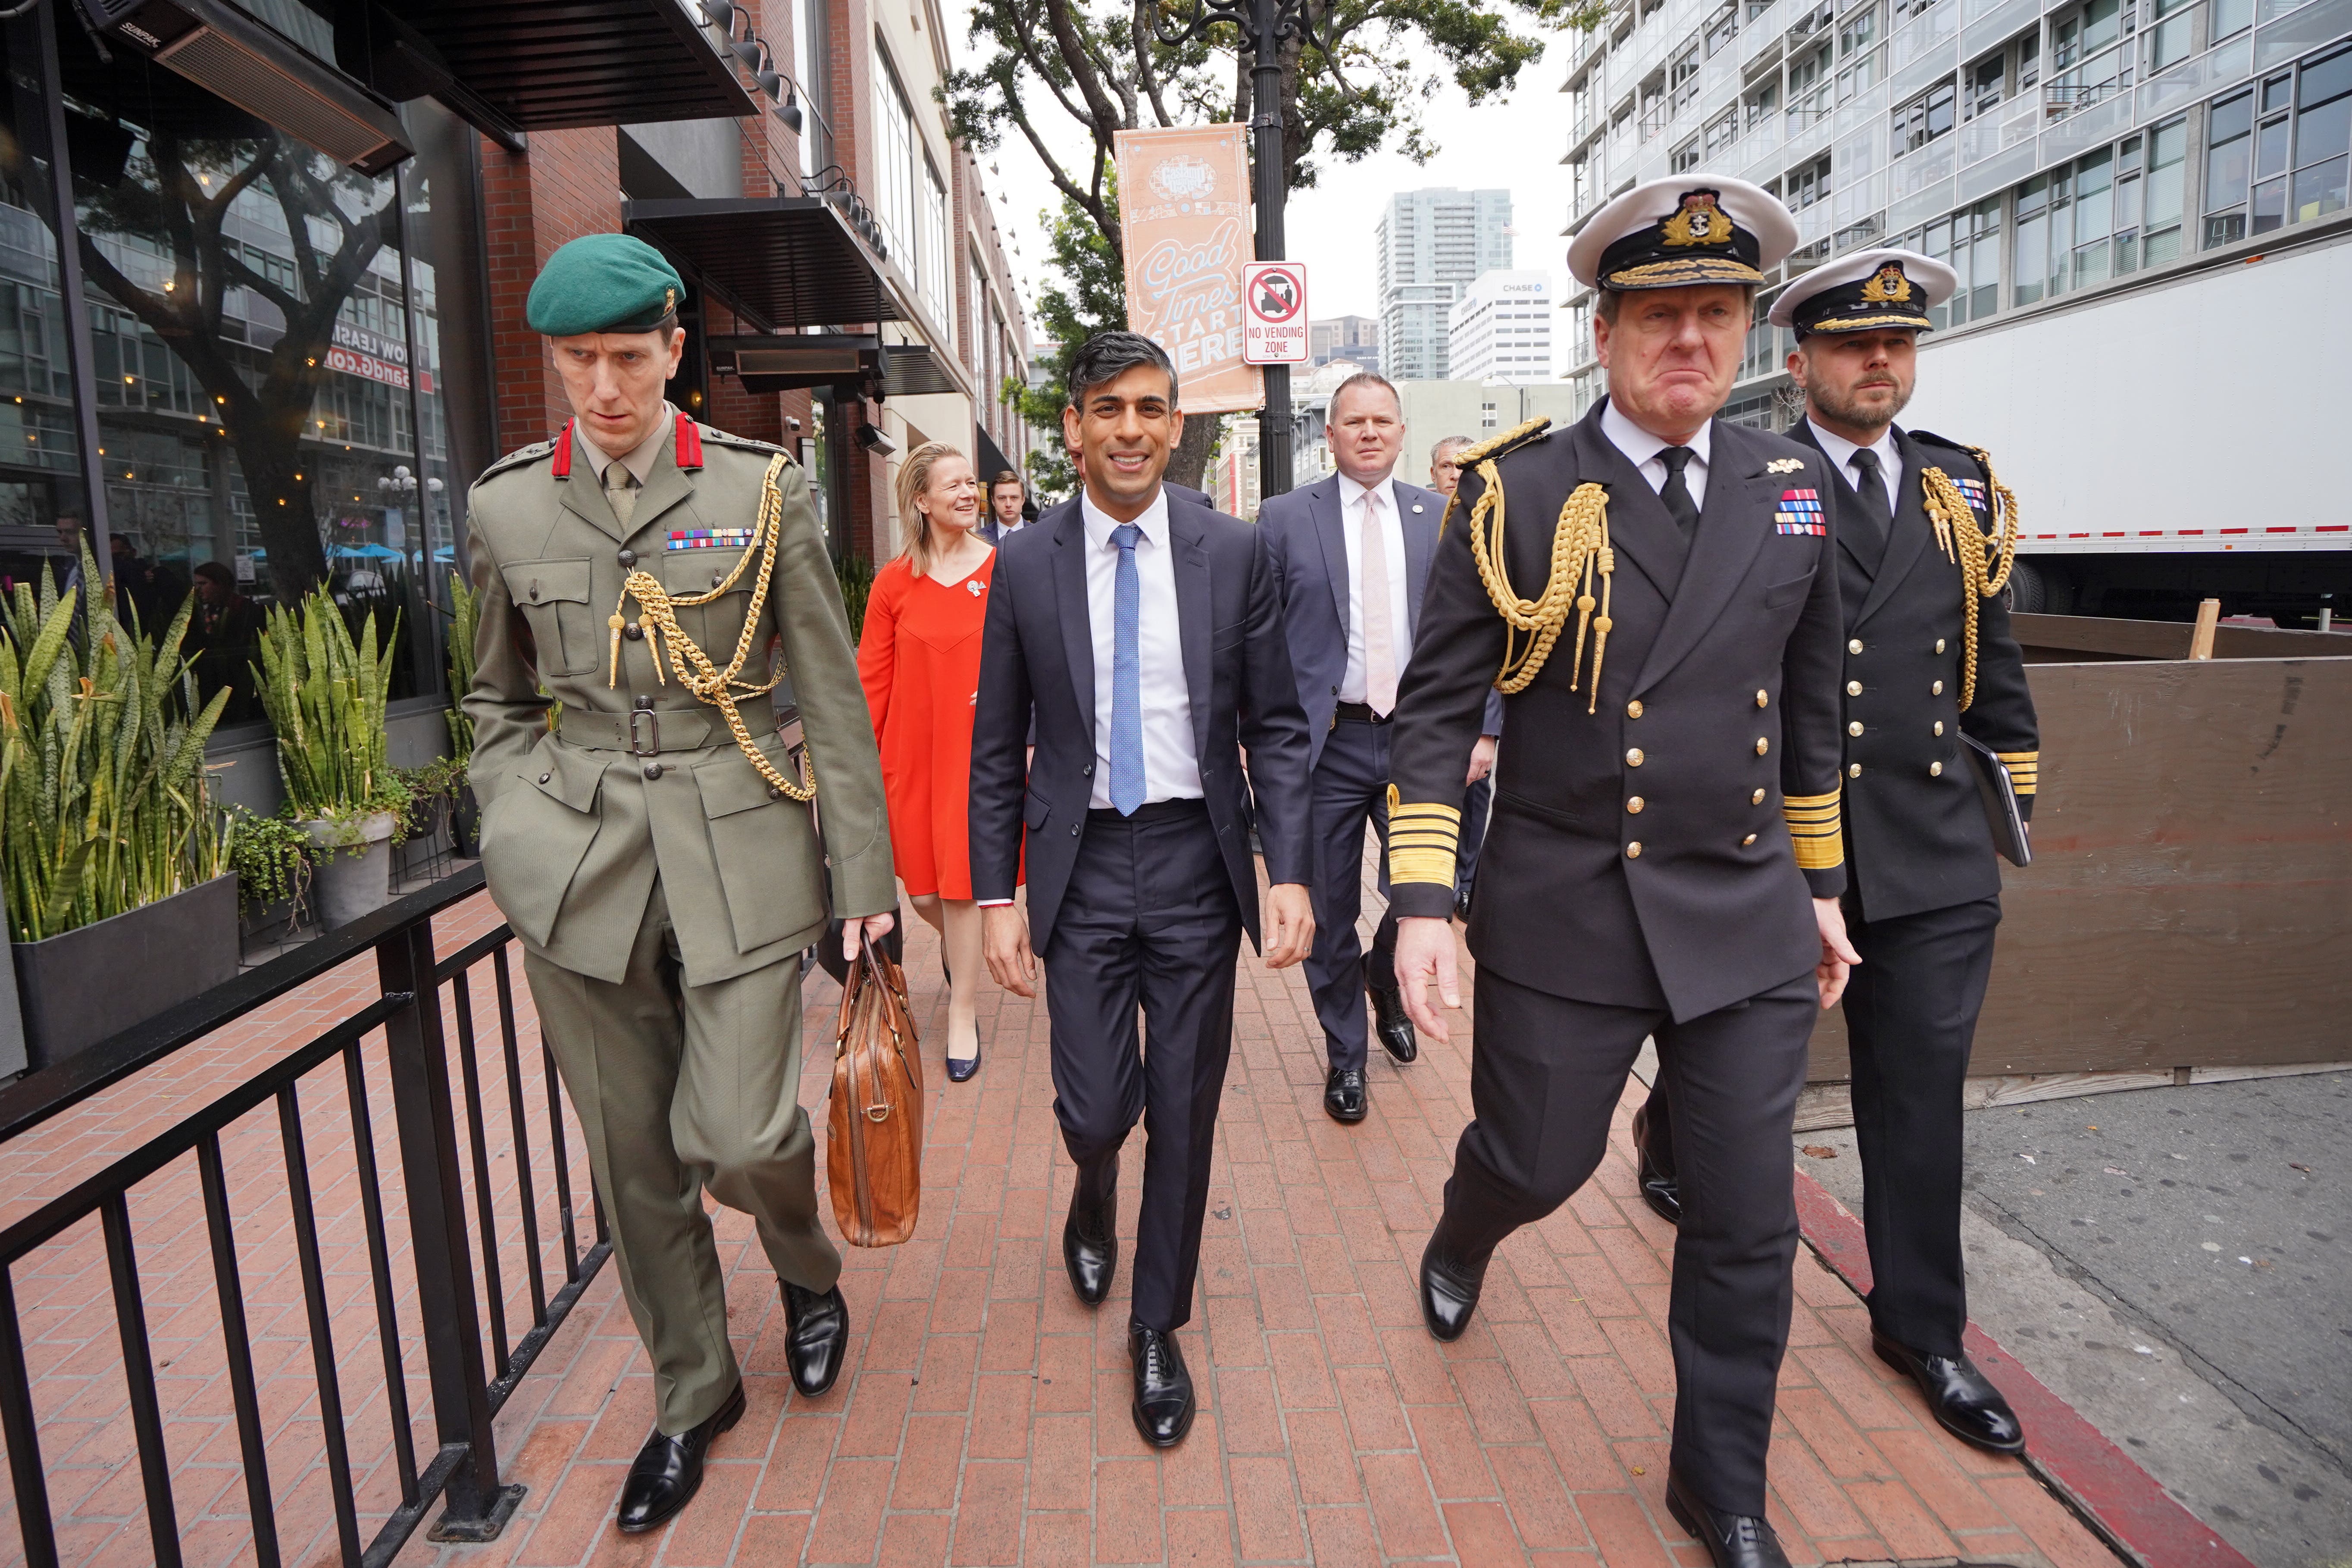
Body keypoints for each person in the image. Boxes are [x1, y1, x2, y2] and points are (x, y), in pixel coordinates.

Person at [1384, 178, 1858, 1568]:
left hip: (1741, 907)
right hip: (1567, 902)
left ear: (1746, 334)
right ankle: (1468, 1232)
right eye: (1660, 317)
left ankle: (1721, 1487)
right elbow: (1434, 711)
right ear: (1604, 333)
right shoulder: (1522, 491)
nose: (1689, 346)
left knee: (1744, 1214)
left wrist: (1822, 888)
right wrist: (1421, 901)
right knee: (1538, 1161)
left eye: (1716, 317)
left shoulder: (1790, 485)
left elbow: (1812, 704)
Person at [462, 235, 896, 1536]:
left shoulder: (762, 491)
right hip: (578, 866)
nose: (601, 387)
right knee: (634, 1158)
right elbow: (491, 694)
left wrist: (862, 876)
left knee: (741, 1133)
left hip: (742, 833)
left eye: (626, 358)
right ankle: (691, 1391)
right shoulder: (506, 506)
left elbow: (826, 684)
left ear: (672, 352)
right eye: (576, 361)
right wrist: (509, 822)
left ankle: (807, 1274)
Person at [1628, 248, 2040, 1458]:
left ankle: (1923, 1327)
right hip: (1779, 848)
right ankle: (1668, 1134)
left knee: (1917, 1103)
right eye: (1856, 345)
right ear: (1798, 361)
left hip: (1927, 853)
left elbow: (1991, 664)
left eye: (1898, 346)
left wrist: (2011, 798)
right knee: (1735, 1073)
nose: (1880, 364)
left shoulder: (1961, 492)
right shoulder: (1753, 478)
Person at [969, 331, 1315, 1449]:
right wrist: (994, 893)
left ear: (1176, 424)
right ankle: (1091, 1181)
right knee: (1096, 1106)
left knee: (1186, 1101)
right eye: (1107, 407)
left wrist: (1294, 868)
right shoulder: (1024, 560)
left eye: (1150, 408)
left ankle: (1156, 1324)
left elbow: (1276, 724)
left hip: (1193, 864)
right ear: (1071, 426)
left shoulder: (1233, 550)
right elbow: (996, 742)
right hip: (1077, 861)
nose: (1129, 428)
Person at [1258, 376, 1497, 1123]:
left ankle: (1384, 975)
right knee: (1327, 906)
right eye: (1352, 422)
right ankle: (1346, 1054)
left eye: (1381, 421)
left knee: (1427, 885)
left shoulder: (1443, 517)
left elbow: (1481, 628)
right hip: (1324, 746)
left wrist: (1485, 727)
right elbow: (1257, 641)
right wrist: (1256, 739)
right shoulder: (1283, 519)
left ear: (1401, 432)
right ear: (1329, 435)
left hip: (1419, 742)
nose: (1368, 432)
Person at [860, 442, 1002, 1081]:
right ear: (921, 500)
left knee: (962, 885)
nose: (969, 493)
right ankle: (959, 949)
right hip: (910, 753)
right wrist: (858, 763)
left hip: (976, 755)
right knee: (923, 891)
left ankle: (963, 1011)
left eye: (972, 483)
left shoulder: (1005, 569)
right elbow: (872, 679)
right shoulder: (894, 581)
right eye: (954, 485)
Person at [1426, 435, 1490, 921]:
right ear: (1432, 472)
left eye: (1466, 466)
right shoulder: (1418, 526)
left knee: (1473, 803)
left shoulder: (1494, 530)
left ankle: (1464, 885)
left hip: (1476, 706)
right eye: (1447, 466)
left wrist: (1488, 729)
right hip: (1420, 704)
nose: (1455, 474)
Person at [188, 561, 260, 723]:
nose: (198, 589)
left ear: (220, 583)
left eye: (203, 584)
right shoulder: (201, 611)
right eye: (196, 584)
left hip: (238, 688)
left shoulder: (245, 609)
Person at [980, 469, 1027, 543]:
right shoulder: (980, 539)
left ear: (1023, 500)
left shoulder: (1040, 534)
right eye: (1002, 498)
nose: (1008, 504)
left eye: (1014, 498)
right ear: (993, 501)